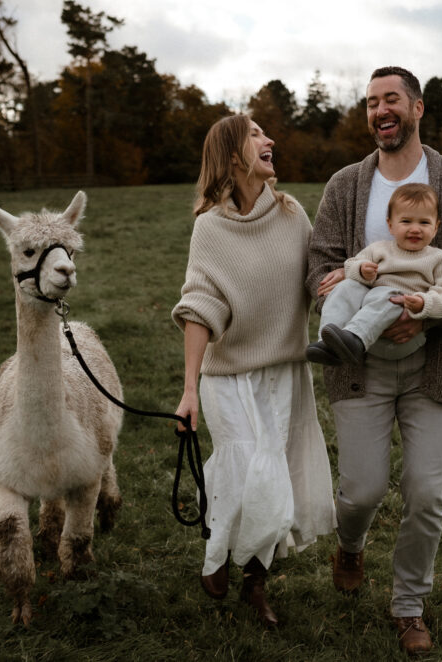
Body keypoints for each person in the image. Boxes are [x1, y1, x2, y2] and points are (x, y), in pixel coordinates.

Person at [306, 66, 442, 655]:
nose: (380, 111)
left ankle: (409, 605)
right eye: (370, 103)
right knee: (361, 490)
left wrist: (432, 315)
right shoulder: (345, 185)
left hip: (432, 363)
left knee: (426, 493)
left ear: (417, 108)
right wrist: (332, 286)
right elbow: (319, 264)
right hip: (358, 364)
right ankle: (352, 546)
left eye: (391, 100)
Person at [173, 114, 336, 628]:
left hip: (285, 372)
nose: (271, 140)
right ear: (234, 154)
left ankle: (256, 582)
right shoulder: (209, 228)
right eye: (258, 134)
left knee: (275, 475)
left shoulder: (292, 215)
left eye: (269, 133)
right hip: (227, 377)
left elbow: (315, 282)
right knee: (244, 468)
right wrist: (189, 390)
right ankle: (218, 550)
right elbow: (199, 305)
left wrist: (343, 288)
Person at [305, 182, 442, 366]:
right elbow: (350, 266)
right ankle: (329, 343)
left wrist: (424, 303)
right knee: (347, 286)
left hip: (403, 334)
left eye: (424, 222)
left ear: (435, 227)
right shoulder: (378, 250)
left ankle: (354, 339)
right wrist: (362, 270)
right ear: (390, 225)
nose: (415, 229)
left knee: (388, 295)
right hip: (370, 326)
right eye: (406, 221)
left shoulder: (438, 259)